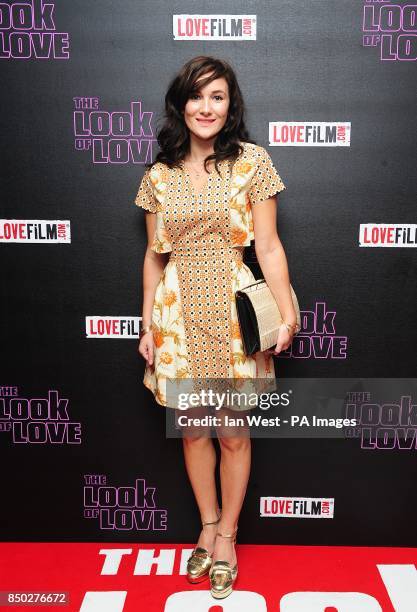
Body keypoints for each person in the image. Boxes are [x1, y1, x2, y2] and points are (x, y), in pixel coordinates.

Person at [134, 56, 298, 599]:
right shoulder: (158, 175)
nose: (206, 108)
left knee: (231, 432)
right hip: (178, 316)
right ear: (181, 104)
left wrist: (287, 310)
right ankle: (206, 523)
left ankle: (227, 536)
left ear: (231, 106)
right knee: (194, 428)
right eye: (197, 96)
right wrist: (145, 325)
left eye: (218, 96)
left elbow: (268, 246)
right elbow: (155, 258)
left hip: (233, 310)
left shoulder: (252, 162)